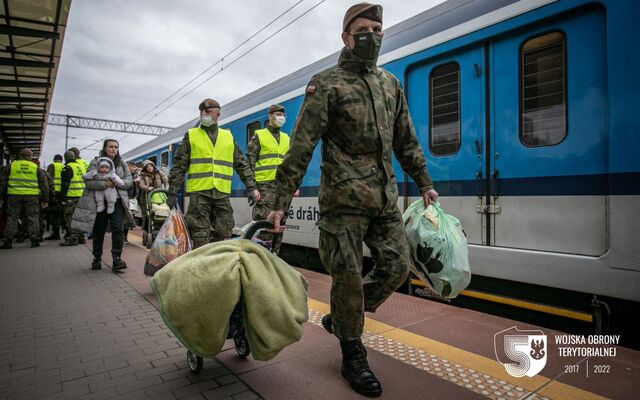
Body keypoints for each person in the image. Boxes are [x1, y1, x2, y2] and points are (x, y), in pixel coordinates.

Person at [266, 3, 438, 397]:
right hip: (342, 202)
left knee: (397, 265)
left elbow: (406, 139)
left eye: (378, 28)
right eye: (363, 29)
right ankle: (352, 352)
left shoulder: (390, 84)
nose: (372, 35)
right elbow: (302, 145)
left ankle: (344, 319)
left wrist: (424, 181)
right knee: (346, 278)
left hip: (382, 198)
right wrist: (280, 202)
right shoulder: (326, 83)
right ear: (346, 37)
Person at [167, 98, 259, 248]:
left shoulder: (228, 137)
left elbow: (241, 164)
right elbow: (179, 166)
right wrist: (172, 192)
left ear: (218, 114)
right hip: (199, 194)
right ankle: (200, 267)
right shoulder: (191, 135)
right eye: (202, 112)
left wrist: (251, 187)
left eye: (208, 112)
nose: (204, 114)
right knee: (199, 233)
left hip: (221, 194)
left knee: (225, 233)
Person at [71, 139, 134, 271]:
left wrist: (118, 182)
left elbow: (129, 181)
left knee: (118, 229)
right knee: (98, 230)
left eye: (116, 147)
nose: (113, 149)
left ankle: (117, 259)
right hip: (99, 203)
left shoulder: (122, 163)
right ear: (105, 148)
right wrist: (105, 184)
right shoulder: (96, 161)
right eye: (111, 147)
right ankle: (97, 258)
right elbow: (88, 182)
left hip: (117, 202)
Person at [246, 104, 298, 254]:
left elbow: (290, 164)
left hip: (282, 189)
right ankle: (259, 260)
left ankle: (274, 258)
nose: (280, 118)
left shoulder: (285, 138)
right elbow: (249, 163)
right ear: (269, 116)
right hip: (264, 189)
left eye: (282, 115)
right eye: (277, 114)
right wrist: (252, 187)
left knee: (279, 227)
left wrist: (293, 185)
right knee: (265, 228)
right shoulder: (259, 136)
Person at [0, 148, 49, 249]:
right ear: (30, 157)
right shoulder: (36, 168)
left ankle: (8, 241)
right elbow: (44, 185)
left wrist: (1, 197)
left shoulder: (11, 166)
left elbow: (2, 183)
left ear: (20, 156)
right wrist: (45, 199)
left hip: (13, 196)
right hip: (32, 197)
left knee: (12, 217)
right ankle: (34, 240)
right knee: (33, 218)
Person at [59, 150, 86, 246]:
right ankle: (81, 237)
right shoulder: (81, 167)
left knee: (69, 217)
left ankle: (73, 237)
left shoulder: (67, 168)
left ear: (65, 158)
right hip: (82, 196)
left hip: (72, 195)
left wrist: (62, 198)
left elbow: (65, 184)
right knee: (80, 217)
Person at [138, 159, 168, 232]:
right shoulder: (143, 175)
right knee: (148, 214)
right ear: (145, 168)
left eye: (150, 166)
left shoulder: (159, 173)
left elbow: (166, 181)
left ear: (153, 166)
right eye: (147, 167)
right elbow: (141, 184)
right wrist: (147, 188)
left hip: (159, 194)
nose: (149, 168)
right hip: (147, 195)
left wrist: (167, 189)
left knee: (162, 210)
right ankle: (148, 230)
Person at [44, 154, 64, 240]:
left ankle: (56, 233)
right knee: (62, 213)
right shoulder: (65, 166)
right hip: (63, 193)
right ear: (61, 160)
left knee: (54, 213)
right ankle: (65, 231)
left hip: (54, 193)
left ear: (54, 159)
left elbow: (48, 180)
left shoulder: (52, 166)